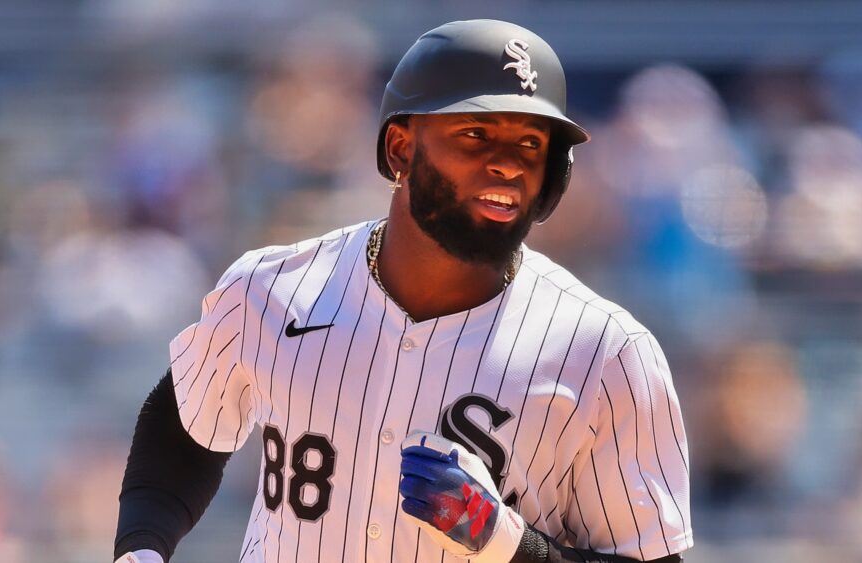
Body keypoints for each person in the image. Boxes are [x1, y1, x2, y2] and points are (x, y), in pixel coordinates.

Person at [114, 19, 692, 563]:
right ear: (400, 149)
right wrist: (141, 547)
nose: (507, 166)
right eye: (475, 134)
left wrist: (512, 546)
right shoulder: (268, 289)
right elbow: (182, 428)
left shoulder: (605, 352)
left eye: (530, 145)